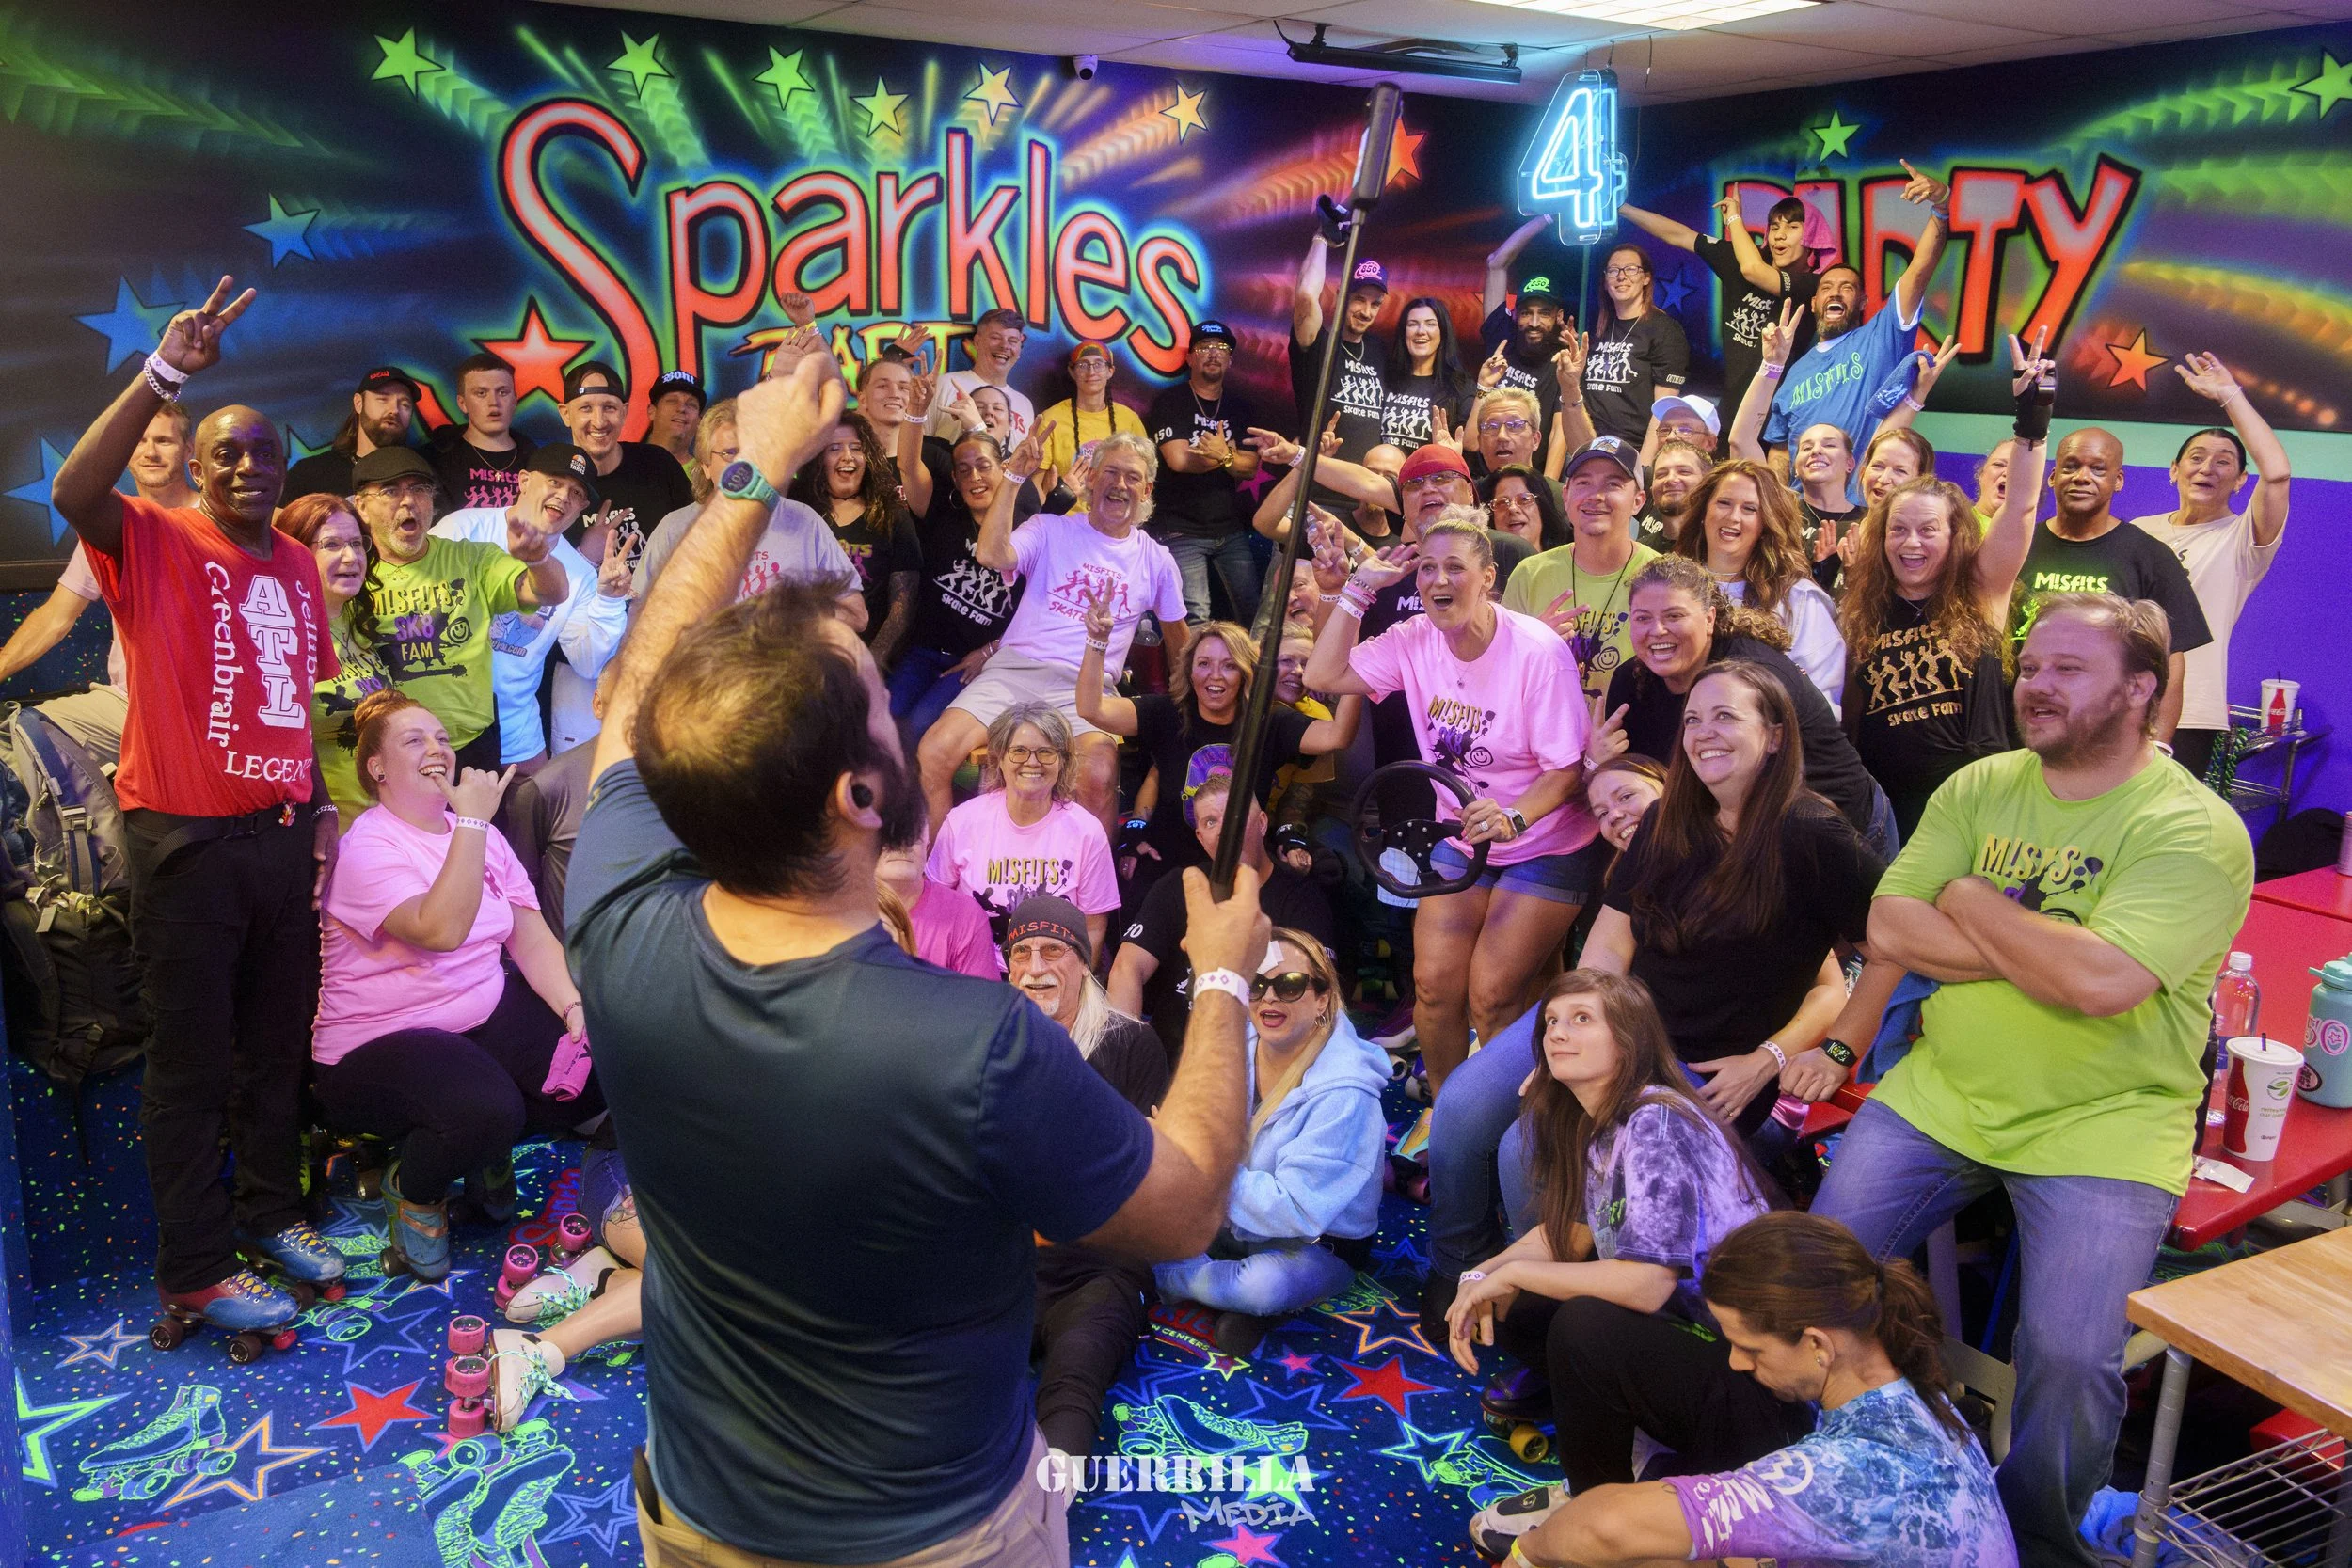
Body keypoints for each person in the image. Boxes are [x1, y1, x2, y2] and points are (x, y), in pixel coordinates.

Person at [566, 344, 1275, 1564]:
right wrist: (1221, 973)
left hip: (700, 1515)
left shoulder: (617, 910)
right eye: (873, 703)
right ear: (861, 788)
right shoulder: (978, 1042)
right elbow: (1187, 1203)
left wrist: (754, 467)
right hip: (935, 1535)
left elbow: (636, 683)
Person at [1815, 592, 2253, 1568]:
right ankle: (1855, 1474)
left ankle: (2035, 1541)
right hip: (1943, 1091)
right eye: (2030, 665)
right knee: (1812, 1269)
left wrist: (1969, 898)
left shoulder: (2195, 827)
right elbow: (1887, 926)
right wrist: (2042, 951)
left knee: (2066, 1357)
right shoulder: (1980, 786)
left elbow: (2102, 984)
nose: (2035, 685)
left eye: (2067, 669)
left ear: (2140, 689)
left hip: (2107, 1121)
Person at [51, 277, 344, 1331]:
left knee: (277, 1043)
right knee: (191, 1061)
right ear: (199, 466)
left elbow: (294, 704)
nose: (248, 467)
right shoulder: (154, 537)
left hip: (276, 841)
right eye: (226, 452)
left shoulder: (305, 568)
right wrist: (165, 373)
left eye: (264, 452)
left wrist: (314, 811)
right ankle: (194, 1265)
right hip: (183, 843)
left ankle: (271, 1213)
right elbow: (74, 493)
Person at [1448, 970, 1795, 1562]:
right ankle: (1637, 1470)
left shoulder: (1657, 1122)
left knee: (1586, 1325)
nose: (1557, 1033)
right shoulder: (1607, 1125)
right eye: (1552, 1022)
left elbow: (1644, 1284)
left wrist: (1511, 1274)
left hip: (1764, 1388)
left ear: (1629, 1041)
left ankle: (1598, 1512)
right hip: (1707, 1359)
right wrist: (1482, 1275)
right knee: (1521, 1307)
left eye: (1582, 1019)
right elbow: (1568, 1237)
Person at [1510, 1211, 2018, 1568]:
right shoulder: (1908, 1385)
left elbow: (1607, 1526)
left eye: (1751, 1349)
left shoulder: (1843, 1477)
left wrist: (1530, 1554)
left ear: (1817, 1343)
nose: (1735, 1362)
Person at [311, 690, 601, 1279]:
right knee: (486, 1106)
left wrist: (575, 1009)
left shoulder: (482, 838)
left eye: (442, 738)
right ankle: (414, 1189)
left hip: (478, 1012)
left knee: (602, 1068)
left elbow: (528, 934)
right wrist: (471, 820)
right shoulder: (367, 845)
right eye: (414, 740)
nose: (437, 749)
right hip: (376, 1043)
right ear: (377, 769)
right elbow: (439, 929)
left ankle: (481, 1146)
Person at [1307, 514, 1595, 1094]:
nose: (1440, 578)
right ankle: (1449, 1115)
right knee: (1435, 988)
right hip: (1460, 835)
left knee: (1490, 994)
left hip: (1543, 840)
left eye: (1456, 567)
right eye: (1429, 568)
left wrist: (1513, 818)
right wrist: (1359, 588)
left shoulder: (1536, 652)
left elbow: (1566, 772)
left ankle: (1511, 1119)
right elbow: (1323, 673)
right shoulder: (1413, 640)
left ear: (1487, 577)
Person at [1581, 659, 1883, 1140]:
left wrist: (1821, 1055)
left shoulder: (1815, 836)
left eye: (1725, 716)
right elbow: (1607, 949)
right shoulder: (1664, 820)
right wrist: (1585, 1033)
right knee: (1508, 1133)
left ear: (1775, 737)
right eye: (1693, 720)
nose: (1704, 733)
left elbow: (1891, 957)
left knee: (1573, 1154)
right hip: (1633, 1036)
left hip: (1720, 1075)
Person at [918, 428, 1189, 836]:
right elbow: (993, 554)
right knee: (932, 753)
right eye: (1110, 472)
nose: (1119, 484)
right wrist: (1012, 478)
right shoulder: (1049, 528)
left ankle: (1094, 900)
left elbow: (1179, 644)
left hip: (1086, 688)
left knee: (1099, 774)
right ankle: (939, 882)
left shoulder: (1157, 560)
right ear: (1092, 479)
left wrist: (1186, 713)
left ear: (1147, 489)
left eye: (1132, 477)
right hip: (1014, 671)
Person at [1841, 339, 2053, 838]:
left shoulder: (1980, 589)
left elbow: (2021, 505)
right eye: (1899, 529)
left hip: (1977, 811)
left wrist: (2033, 420)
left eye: (1928, 530)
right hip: (1885, 811)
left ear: (1956, 536)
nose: (1911, 543)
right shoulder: (1862, 605)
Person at [1154, 931, 1385, 1355]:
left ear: (1322, 998)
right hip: (1229, 1212)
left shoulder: (1346, 1092)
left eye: (1291, 984)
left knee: (1262, 1287)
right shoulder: (1235, 1041)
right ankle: (1228, 1296)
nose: (1270, 998)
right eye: (1256, 985)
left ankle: (1179, 1280)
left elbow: (1295, 1209)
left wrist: (1196, 1169)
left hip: (1317, 1242)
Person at [1000, 896, 1170, 1458]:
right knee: (950, 1362)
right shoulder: (988, 1044)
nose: (1035, 967)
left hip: (1101, 1264)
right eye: (1020, 952)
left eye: (1053, 950)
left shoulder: (1129, 1043)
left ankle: (1053, 1498)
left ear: (1082, 961)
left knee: (1076, 1373)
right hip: (1006, 1259)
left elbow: (1137, 1180)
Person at [1599, 555, 1894, 856]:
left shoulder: (1750, 674)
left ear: (1710, 618)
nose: (1657, 630)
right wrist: (1597, 762)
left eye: (1674, 616)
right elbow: (1639, 783)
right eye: (1643, 618)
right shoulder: (1631, 681)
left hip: (1841, 823)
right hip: (1745, 836)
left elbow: (1761, 793)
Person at [1079, 611, 1355, 880]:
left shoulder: (1269, 722)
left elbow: (1338, 736)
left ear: (1246, 673)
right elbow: (1092, 709)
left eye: (1229, 665)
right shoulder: (1164, 712)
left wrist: (1358, 667)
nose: (1215, 676)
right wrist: (1097, 641)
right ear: (1189, 670)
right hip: (1168, 865)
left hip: (1244, 869)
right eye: (1204, 664)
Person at [350, 445, 570, 774]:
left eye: (419, 490)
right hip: (389, 757)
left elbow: (552, 592)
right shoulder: (351, 573)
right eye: (390, 490)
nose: (408, 501)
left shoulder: (472, 558)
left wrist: (537, 557)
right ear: (362, 507)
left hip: (471, 750)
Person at [0, 404, 195, 764]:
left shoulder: (220, 519)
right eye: (139, 440)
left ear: (189, 450)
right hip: (127, 705)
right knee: (20, 740)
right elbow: (55, 618)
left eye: (164, 440)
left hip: (211, 711)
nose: (150, 451)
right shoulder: (109, 528)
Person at [2130, 352, 2293, 779]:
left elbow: (2276, 474)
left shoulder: (2243, 541)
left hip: (2191, 714)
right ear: (2174, 470)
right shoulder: (2138, 532)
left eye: (2224, 461)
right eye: (2196, 457)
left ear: (2241, 480)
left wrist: (2230, 396)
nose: (2207, 468)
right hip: (2119, 700)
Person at [1110, 773, 1337, 1066]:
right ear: (1201, 839)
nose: (1224, 831)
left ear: (1263, 823)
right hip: (1176, 1062)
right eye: (1210, 822)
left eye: (1236, 816)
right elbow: (1127, 968)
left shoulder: (1302, 899)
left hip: (1260, 1067)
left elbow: (1318, 999)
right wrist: (1127, 1060)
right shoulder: (1180, 885)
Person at [431, 444, 630, 766]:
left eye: (577, 492)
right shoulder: (462, 530)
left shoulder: (579, 573)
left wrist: (608, 600)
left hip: (519, 740)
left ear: (581, 508)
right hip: (443, 733)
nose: (564, 496)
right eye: (555, 482)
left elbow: (588, 663)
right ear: (523, 481)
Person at [2009, 428, 2211, 743]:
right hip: (2018, 734)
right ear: (2052, 476)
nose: (2082, 477)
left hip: (2108, 741)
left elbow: (2171, 664)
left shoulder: (2150, 556)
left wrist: (2158, 746)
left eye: (2098, 469)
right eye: (2071, 466)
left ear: (2118, 480)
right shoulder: (2018, 546)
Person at [1761, 162, 1952, 472]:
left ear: (1863, 301)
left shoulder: (1881, 337)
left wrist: (1941, 206)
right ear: (1813, 302)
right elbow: (1780, 451)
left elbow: (1918, 272)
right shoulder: (1794, 372)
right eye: (1827, 287)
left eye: (1846, 287)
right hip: (1803, 511)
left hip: (1862, 505)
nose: (1835, 293)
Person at [634, 395, 866, 628]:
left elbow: (856, 614)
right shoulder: (673, 530)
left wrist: (795, 615)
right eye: (730, 453)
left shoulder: (804, 522)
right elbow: (638, 618)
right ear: (705, 465)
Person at [926, 703, 1120, 953]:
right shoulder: (962, 821)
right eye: (1019, 751)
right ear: (1001, 759)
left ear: (1062, 761)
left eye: (1046, 752)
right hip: (976, 971)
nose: (1032, 762)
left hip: (1055, 973)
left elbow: (1093, 927)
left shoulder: (1087, 831)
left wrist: (1075, 985)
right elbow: (936, 906)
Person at [892, 423, 1035, 740]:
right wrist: (915, 411)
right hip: (924, 652)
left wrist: (988, 652)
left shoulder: (1030, 534)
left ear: (1004, 468)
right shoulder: (943, 513)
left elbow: (1038, 616)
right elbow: (907, 465)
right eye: (964, 470)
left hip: (976, 664)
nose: (975, 477)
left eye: (984, 466)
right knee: (884, 722)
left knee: (918, 728)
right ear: (954, 479)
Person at [1620, 193, 1820, 416]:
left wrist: (1734, 220)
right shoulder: (1744, 259)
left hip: (1778, 421)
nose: (1779, 236)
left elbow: (1753, 271)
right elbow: (1681, 236)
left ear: (1812, 236)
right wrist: (1621, 207)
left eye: (1792, 227)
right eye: (1774, 227)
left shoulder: (1815, 284)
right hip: (1730, 413)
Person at [1674, 457, 1848, 709]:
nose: (1733, 517)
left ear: (1766, 524)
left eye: (1750, 509)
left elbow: (1824, 701)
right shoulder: (1671, 585)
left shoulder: (1797, 597)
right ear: (1703, 512)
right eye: (1724, 503)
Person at [1503, 436, 1660, 705]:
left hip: (1629, 740)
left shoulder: (1661, 577)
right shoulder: (1529, 573)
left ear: (1638, 501)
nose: (1595, 496)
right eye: (1583, 483)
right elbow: (1499, 672)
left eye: (1613, 484)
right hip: (1544, 739)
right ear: (1566, 496)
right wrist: (1534, 644)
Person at [278, 494, 395, 822]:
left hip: (382, 823)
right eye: (332, 545)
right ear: (296, 553)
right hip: (330, 830)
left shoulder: (358, 619)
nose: (351, 557)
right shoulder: (286, 637)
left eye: (357, 544)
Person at [1148, 320, 1263, 626]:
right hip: (1181, 529)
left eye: (1221, 348)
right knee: (1194, 619)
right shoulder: (1170, 401)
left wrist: (1220, 454)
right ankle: (1192, 676)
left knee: (1253, 615)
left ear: (1230, 359)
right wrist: (1228, 457)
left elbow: (1250, 468)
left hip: (1230, 529)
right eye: (1204, 347)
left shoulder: (1241, 407)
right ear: (1190, 357)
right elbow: (1178, 460)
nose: (1213, 354)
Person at [790, 412, 920, 667]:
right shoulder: (798, 509)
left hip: (863, 654)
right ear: (817, 458)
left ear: (868, 457)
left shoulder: (892, 517)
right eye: (834, 448)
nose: (847, 457)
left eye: (857, 448)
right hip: (800, 650)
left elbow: (901, 612)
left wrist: (870, 665)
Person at [556, 362, 694, 572]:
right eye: (586, 408)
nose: (599, 421)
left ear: (624, 412)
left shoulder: (659, 464)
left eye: (609, 408)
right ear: (566, 414)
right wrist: (586, 556)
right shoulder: (552, 483)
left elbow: (697, 538)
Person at [1480, 219, 1570, 468]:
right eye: (1527, 312)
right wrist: (1546, 218)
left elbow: (1559, 434)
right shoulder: (1501, 336)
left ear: (1557, 316)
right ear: (1516, 314)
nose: (1534, 322)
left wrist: (1548, 489)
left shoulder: (1563, 360)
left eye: (1544, 313)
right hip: (1482, 470)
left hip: (1528, 478)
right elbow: (1496, 263)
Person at [1292, 241, 1391, 465]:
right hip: (1316, 488)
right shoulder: (1317, 343)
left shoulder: (1380, 351)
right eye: (1358, 299)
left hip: (1364, 492)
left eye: (1375, 304)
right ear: (1340, 296)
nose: (1366, 312)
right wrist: (1321, 239)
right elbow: (1306, 295)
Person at [1581, 245, 1690, 447]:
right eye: (1613, 271)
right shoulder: (1595, 327)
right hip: (1588, 444)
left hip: (1632, 448)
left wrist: (1644, 468)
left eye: (1631, 269)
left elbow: (1663, 412)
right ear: (1605, 281)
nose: (1621, 277)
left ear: (1646, 279)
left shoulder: (1665, 330)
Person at [876, 820, 1001, 978]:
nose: (901, 843)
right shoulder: (840, 912)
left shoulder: (965, 915)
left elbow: (981, 1000)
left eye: (912, 833)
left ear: (926, 848)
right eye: (889, 833)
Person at [281, 365, 418, 501]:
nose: (394, 410)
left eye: (405, 405)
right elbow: (276, 519)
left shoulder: (422, 473)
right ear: (359, 403)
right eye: (382, 399)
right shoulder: (309, 473)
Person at [1035, 341, 1149, 499]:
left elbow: (1144, 476)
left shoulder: (1129, 419)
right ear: (1072, 372)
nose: (1091, 372)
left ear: (1111, 371)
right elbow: (1035, 484)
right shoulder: (1051, 419)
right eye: (1083, 365)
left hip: (1114, 516)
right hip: (1064, 518)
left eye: (1099, 364)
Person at [429, 353, 537, 511]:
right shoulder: (435, 461)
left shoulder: (537, 463)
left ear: (515, 401)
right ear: (462, 403)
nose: (493, 402)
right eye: (481, 393)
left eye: (502, 392)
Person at [925, 305, 1035, 442]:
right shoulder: (945, 385)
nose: (1004, 346)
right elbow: (920, 446)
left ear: (1019, 350)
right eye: (995, 337)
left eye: (1012, 341)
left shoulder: (1024, 405)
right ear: (977, 342)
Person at [1381, 296, 1475, 451]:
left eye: (1430, 324)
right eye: (1412, 324)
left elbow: (1473, 444)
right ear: (1404, 332)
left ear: (1442, 332)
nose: (1420, 331)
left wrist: (1485, 387)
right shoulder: (1386, 376)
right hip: (1379, 473)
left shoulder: (1460, 385)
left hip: (1430, 474)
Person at [1635, 433, 1709, 552]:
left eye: (1684, 472)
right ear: (1652, 492)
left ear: (1708, 484)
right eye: (1661, 474)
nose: (1670, 479)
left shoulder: (1720, 549)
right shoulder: (1638, 553)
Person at [1486, 464, 1569, 552]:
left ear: (1542, 508)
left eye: (1524, 499)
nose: (1512, 508)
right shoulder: (1483, 565)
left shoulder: (1567, 561)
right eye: (1502, 502)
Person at [645, 369, 706, 468]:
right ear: (652, 411)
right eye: (672, 401)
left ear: (700, 420)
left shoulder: (708, 477)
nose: (682, 408)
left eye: (691, 404)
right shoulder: (624, 465)